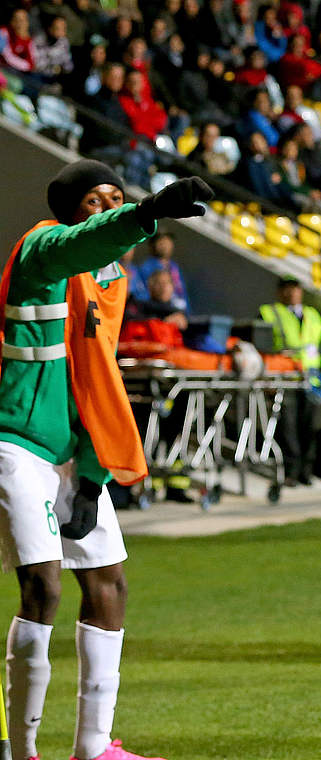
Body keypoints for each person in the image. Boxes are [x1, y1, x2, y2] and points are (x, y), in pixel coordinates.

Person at [0, 160, 211, 760]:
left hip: (71, 449)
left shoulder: (108, 281)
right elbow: (81, 241)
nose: (104, 209)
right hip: (14, 440)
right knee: (42, 585)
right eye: (94, 201)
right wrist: (142, 212)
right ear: (69, 209)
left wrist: (91, 476)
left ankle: (94, 749)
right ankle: (22, 751)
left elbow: (96, 381)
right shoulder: (42, 247)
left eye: (115, 198)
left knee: (109, 582)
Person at [260, 276, 321, 486]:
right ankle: (291, 471)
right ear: (279, 293)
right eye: (287, 289)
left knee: (308, 427)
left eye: (295, 289)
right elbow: (262, 346)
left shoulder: (313, 315)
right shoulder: (268, 313)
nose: (292, 293)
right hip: (284, 378)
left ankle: (307, 472)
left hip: (310, 379)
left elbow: (319, 347)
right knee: (287, 427)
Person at [137, 231, 189, 312]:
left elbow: (182, 292)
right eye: (161, 242)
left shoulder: (174, 267)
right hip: (159, 311)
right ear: (153, 245)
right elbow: (144, 292)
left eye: (168, 241)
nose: (165, 245)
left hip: (180, 312)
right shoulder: (147, 266)